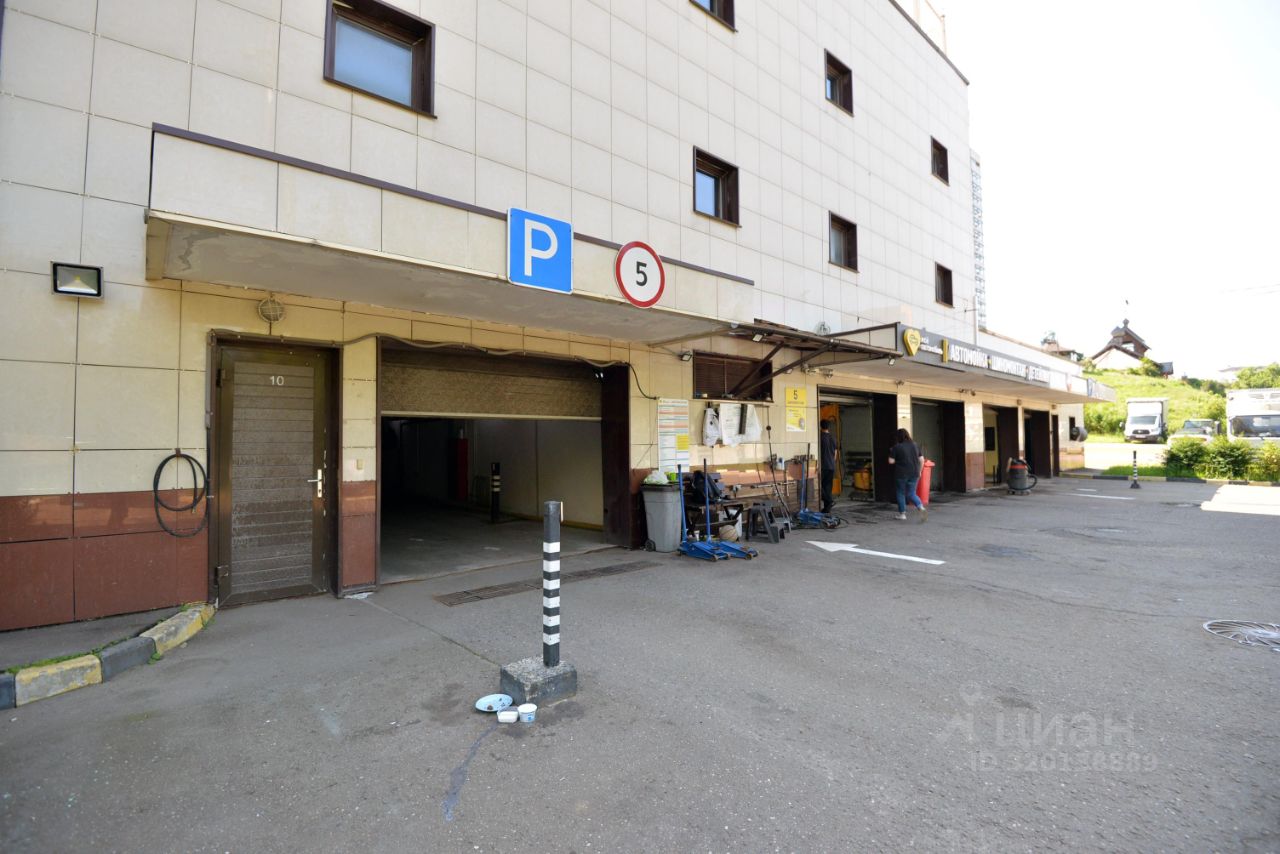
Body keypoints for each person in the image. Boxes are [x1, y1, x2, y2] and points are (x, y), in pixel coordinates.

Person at [887, 428, 927, 522]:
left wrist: (893, 453)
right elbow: (922, 460)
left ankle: (902, 514)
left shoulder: (897, 447)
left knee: (900, 493)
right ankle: (921, 508)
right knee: (911, 493)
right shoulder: (915, 445)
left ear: (898, 437)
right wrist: (920, 471)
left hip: (901, 474)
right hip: (914, 473)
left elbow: (891, 461)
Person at [819, 419, 837, 514]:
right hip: (831, 465)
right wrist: (832, 462)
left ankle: (829, 501)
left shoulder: (820, 437)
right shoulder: (833, 438)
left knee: (819, 486)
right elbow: (835, 453)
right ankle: (827, 509)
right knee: (828, 487)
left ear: (820, 426)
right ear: (828, 427)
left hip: (823, 466)